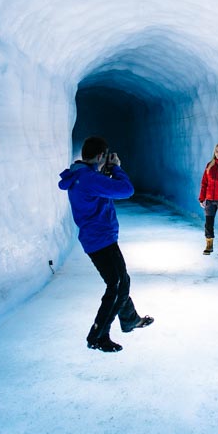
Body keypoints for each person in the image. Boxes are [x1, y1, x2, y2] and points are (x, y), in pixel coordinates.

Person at [58, 136, 153, 352]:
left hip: (97, 238)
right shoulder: (89, 179)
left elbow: (97, 191)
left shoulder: (81, 176)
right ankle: (98, 336)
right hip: (101, 239)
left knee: (121, 281)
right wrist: (117, 168)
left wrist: (104, 174)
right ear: (101, 155)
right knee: (117, 285)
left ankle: (130, 319)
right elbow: (126, 190)